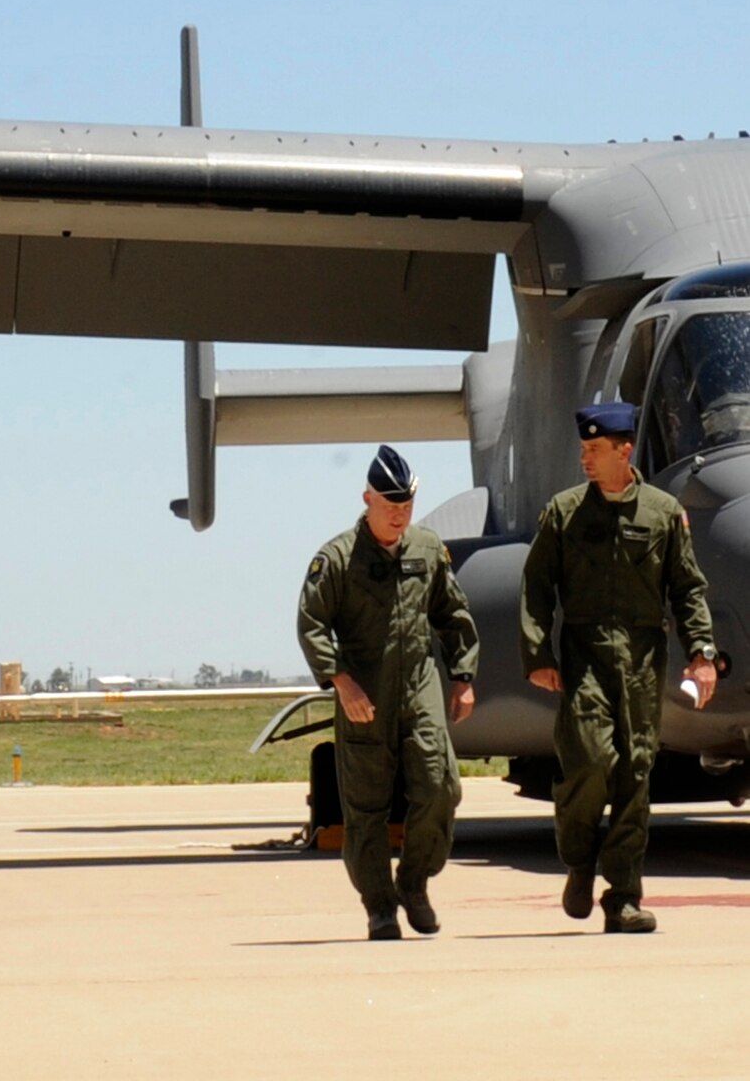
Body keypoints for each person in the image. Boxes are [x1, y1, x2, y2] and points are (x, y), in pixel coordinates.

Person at [520, 401, 719, 934]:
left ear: (623, 450)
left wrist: (702, 654)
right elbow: (537, 586)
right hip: (584, 654)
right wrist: (538, 655)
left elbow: (687, 586)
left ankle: (624, 896)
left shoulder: (661, 512)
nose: (584, 459)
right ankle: (580, 858)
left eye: (594, 449)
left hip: (642, 658)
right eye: (583, 449)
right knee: (587, 760)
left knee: (634, 772)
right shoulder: (564, 513)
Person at [298, 445, 479, 940]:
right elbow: (312, 624)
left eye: (407, 506)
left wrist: (463, 677)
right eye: (390, 505)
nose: (399, 515)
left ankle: (415, 883)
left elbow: (453, 615)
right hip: (365, 691)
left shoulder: (426, 549)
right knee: (366, 807)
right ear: (367, 499)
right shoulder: (336, 559)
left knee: (440, 787)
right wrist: (341, 681)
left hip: (419, 683)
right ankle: (380, 906)